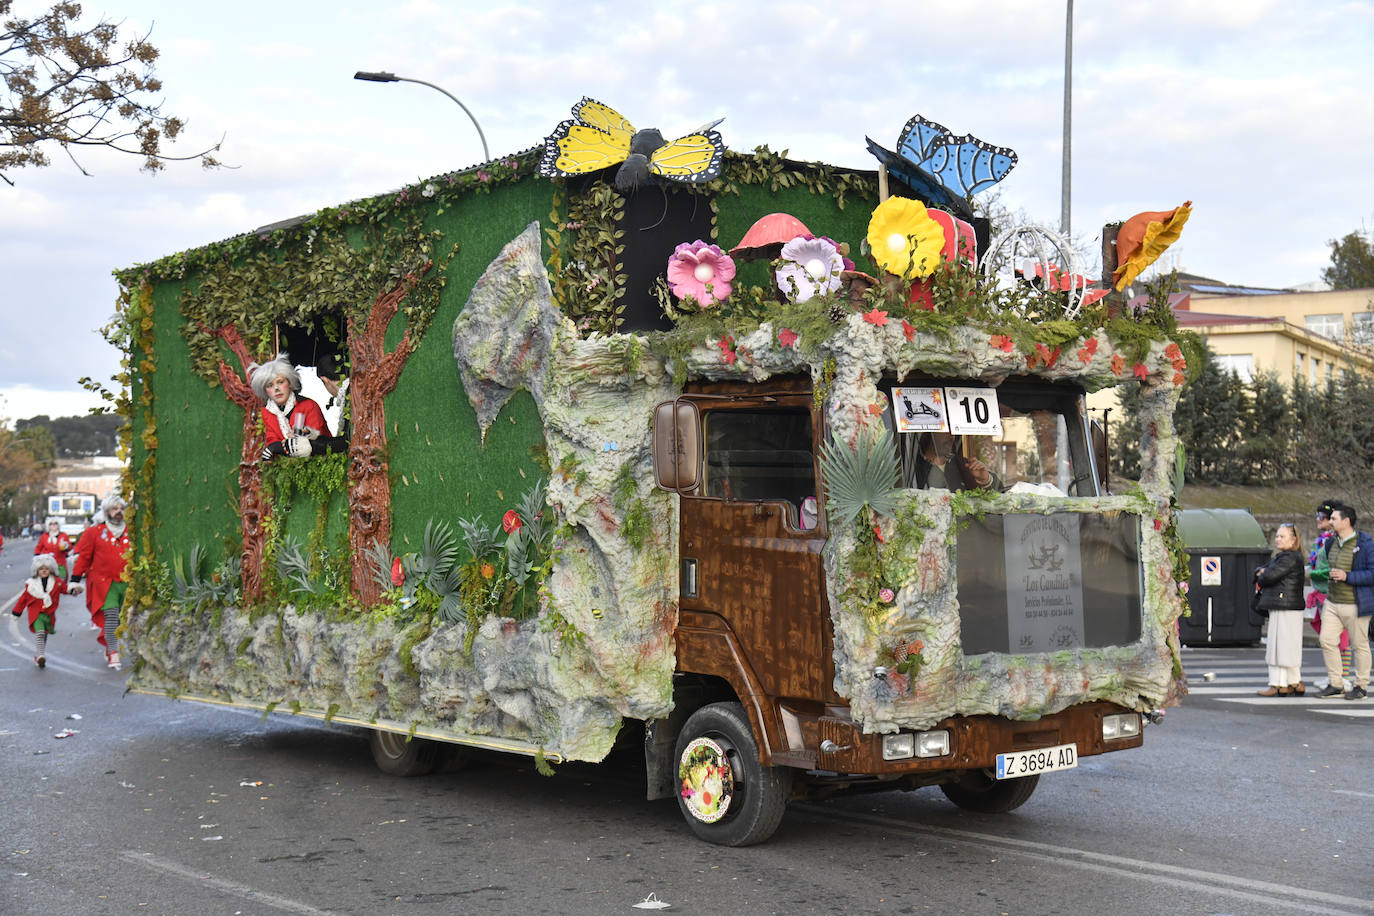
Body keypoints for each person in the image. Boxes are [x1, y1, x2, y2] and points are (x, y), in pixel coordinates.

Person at [1314, 504, 1373, 700]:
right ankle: (1336, 684)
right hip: (1333, 602)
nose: (1330, 522)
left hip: (1355, 603)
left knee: (1359, 645)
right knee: (1326, 641)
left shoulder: (1365, 544)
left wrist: (1347, 576)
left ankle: (1361, 686)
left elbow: (1372, 574)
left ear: (1346, 521)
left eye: (1334, 519)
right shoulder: (1331, 543)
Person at [69, 495, 131, 670]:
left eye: (121, 509)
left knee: (121, 619)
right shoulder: (94, 533)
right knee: (111, 615)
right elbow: (84, 558)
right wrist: (74, 580)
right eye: (114, 509)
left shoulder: (132, 532)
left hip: (127, 583)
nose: (118, 512)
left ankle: (110, 646)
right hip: (105, 584)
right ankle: (113, 652)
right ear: (106, 512)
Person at [1254, 523, 1306, 696]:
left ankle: (1277, 683)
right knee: (1288, 646)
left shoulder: (1288, 558)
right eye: (1277, 536)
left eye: (1282, 536)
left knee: (1278, 646)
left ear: (1293, 540)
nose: (1278, 539)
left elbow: (1269, 575)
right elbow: (1267, 571)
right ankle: (1293, 681)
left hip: (1283, 605)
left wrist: (1262, 575)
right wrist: (1262, 572)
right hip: (1289, 605)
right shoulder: (1290, 556)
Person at [250, 355, 330, 462]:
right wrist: (278, 447)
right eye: (270, 385)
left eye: (280, 382)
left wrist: (281, 446)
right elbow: (272, 440)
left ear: (290, 383)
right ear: (265, 391)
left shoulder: (308, 405)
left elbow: (317, 437)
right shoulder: (267, 412)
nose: (276, 389)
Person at [1307, 499, 1352, 691]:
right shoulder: (1325, 539)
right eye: (1317, 516)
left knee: (1340, 639)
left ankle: (1344, 678)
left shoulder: (1335, 541)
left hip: (1333, 594)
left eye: (1322, 517)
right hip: (1322, 593)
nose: (1318, 519)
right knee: (1330, 639)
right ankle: (1334, 676)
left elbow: (1330, 569)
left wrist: (1309, 572)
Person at [11, 553, 68, 669]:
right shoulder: (31, 585)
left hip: (49, 613)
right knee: (40, 632)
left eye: (46, 569)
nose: (44, 571)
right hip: (35, 613)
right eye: (41, 569)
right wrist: (17, 612)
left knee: (44, 634)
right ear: (36, 570)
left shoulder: (56, 582)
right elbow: (23, 599)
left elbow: (65, 589)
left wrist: (74, 589)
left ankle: (39, 654)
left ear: (51, 570)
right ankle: (41, 655)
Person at [915, 431, 999, 490]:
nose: (952, 436)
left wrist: (985, 481)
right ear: (929, 433)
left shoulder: (966, 466)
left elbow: (1002, 495)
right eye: (946, 431)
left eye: (954, 431)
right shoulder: (911, 469)